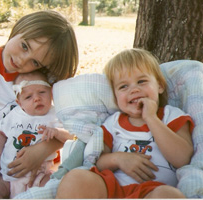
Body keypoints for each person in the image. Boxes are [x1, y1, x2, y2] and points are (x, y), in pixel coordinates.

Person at [0, 10, 78, 198]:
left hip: (38, 143)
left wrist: (41, 151)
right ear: (19, 28)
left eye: (34, 62)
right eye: (24, 46)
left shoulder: (45, 78)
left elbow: (69, 129)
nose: (21, 60)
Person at [56, 48, 194, 198]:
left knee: (169, 196)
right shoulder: (112, 123)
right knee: (76, 178)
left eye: (142, 81)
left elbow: (183, 159)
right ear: (115, 98)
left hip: (152, 191)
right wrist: (119, 159)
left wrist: (151, 118)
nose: (134, 89)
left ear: (160, 85)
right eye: (123, 86)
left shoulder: (172, 116)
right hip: (112, 188)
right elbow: (98, 161)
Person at [0, 71, 73, 198]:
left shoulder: (55, 115)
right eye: (28, 97)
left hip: (39, 175)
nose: (37, 98)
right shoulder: (14, 115)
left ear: (51, 93)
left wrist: (57, 132)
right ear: (20, 103)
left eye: (42, 92)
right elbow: (0, 133)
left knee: (54, 186)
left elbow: (70, 137)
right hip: (9, 177)